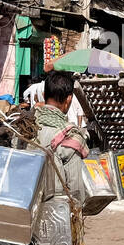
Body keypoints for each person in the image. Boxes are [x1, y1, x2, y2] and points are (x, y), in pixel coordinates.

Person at [33, 70, 88, 199]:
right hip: (54, 211)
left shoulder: (25, 126)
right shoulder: (69, 136)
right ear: (69, 99)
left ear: (44, 94)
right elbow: (76, 191)